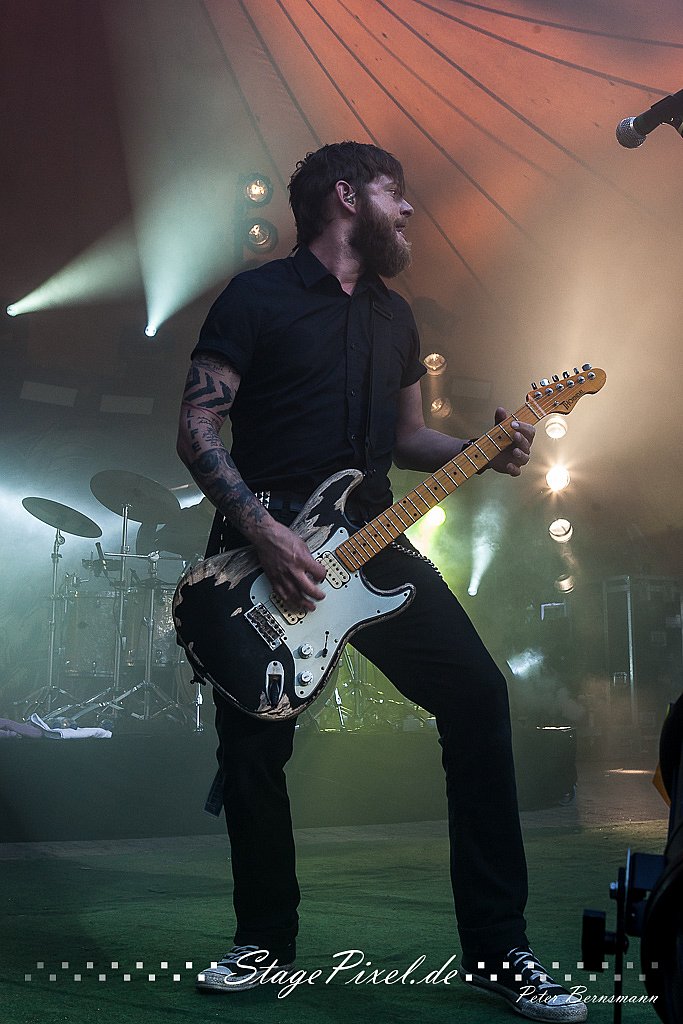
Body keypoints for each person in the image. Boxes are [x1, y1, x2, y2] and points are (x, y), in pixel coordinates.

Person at [176, 141, 587, 1022]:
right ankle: (262, 944)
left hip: (371, 540)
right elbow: (197, 426)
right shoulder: (256, 296)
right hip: (264, 546)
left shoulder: (397, 317)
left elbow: (405, 439)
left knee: (477, 696)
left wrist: (486, 447)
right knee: (253, 749)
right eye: (394, 194)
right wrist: (264, 532)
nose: (406, 212)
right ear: (345, 196)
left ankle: (499, 949)